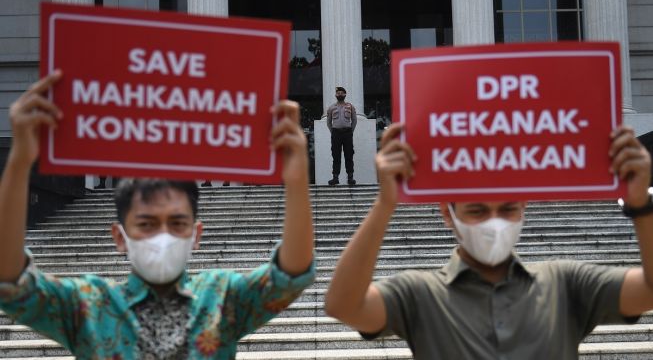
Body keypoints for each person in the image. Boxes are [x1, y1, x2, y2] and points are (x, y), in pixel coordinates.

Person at [0, 71, 315, 359]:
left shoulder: (222, 298)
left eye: (177, 223)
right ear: (119, 236)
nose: (162, 235)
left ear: (196, 234)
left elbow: (289, 277)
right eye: (146, 224)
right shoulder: (89, 306)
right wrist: (19, 162)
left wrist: (297, 178)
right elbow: (12, 283)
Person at [324, 123, 653, 359]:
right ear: (447, 214)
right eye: (477, 210)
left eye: (508, 208)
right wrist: (385, 204)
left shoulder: (567, 284)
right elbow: (343, 305)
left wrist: (641, 203)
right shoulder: (420, 294)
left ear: (524, 207)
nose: (494, 222)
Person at [326, 86, 357, 185]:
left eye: (341, 93)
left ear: (345, 94)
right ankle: (335, 178)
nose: (340, 94)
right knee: (336, 155)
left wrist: (350, 131)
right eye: (338, 93)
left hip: (347, 133)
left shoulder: (350, 106)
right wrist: (333, 131)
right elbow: (328, 122)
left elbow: (354, 120)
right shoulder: (331, 108)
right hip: (336, 133)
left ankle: (350, 178)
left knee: (349, 155)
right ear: (335, 95)